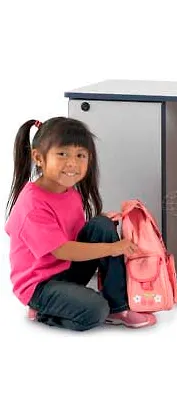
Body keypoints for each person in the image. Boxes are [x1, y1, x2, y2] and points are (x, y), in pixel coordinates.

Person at [4, 117, 157, 331]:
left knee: (102, 225)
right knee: (95, 310)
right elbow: (63, 250)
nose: (72, 163)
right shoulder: (32, 205)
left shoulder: (70, 193)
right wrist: (113, 248)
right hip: (39, 286)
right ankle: (43, 312)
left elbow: (77, 236)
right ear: (38, 158)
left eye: (80, 155)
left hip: (65, 271)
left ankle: (118, 307)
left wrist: (103, 225)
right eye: (62, 154)